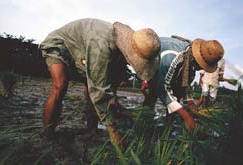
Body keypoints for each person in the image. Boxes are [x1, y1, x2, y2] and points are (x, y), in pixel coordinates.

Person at [39, 18, 161, 147]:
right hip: (60, 44)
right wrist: (113, 131)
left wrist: (115, 103)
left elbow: (111, 83)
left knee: (91, 91)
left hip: (82, 50)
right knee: (60, 85)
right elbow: (99, 89)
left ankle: (91, 130)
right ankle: (48, 134)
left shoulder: (120, 50)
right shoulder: (101, 45)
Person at [145, 36, 224, 131]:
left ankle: (168, 126)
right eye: (203, 65)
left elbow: (185, 83)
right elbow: (162, 88)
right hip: (154, 63)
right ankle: (143, 122)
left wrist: (190, 102)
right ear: (197, 59)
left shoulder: (191, 60)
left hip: (169, 66)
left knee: (176, 97)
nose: (203, 68)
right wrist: (186, 117)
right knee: (152, 94)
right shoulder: (172, 57)